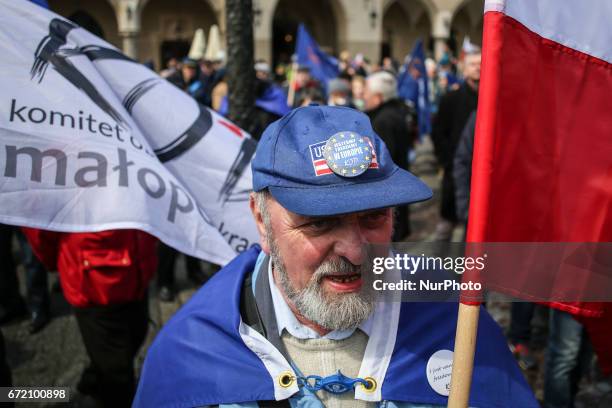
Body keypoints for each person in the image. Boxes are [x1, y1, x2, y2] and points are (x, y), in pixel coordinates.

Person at [135, 105, 537, 407]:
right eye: (319, 223)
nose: (355, 250)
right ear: (261, 220)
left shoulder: (456, 318)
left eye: (373, 217)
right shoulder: (191, 351)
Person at [23, 229, 157, 407]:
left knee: (135, 335)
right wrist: (59, 259)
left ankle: (93, 381)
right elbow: (40, 226)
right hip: (95, 284)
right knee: (117, 375)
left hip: (138, 271)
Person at [431, 50, 481, 241]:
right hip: (456, 169)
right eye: (473, 64)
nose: (478, 67)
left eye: (481, 63)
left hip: (480, 172)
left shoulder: (492, 99)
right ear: (464, 69)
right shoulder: (451, 99)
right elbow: (438, 133)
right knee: (446, 225)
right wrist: (447, 161)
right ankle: (436, 269)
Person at [364, 71, 417, 240]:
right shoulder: (396, 113)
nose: (363, 96)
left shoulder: (383, 121)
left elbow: (381, 162)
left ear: (378, 97)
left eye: (366, 92)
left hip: (388, 195)